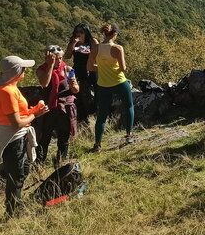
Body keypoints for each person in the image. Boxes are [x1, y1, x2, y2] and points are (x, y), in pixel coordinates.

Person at [0, 55, 49, 215]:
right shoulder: (7, 92)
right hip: (13, 137)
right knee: (16, 175)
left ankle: (15, 203)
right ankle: (13, 211)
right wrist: (36, 115)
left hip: (15, 135)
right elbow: (15, 123)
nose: (25, 71)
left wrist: (34, 110)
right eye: (23, 68)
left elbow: (19, 115)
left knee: (21, 170)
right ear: (16, 72)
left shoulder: (9, 88)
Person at [89, 23, 134, 151]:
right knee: (129, 106)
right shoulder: (117, 48)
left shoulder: (96, 48)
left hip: (103, 85)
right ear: (115, 34)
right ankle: (129, 135)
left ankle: (97, 144)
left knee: (102, 115)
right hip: (119, 82)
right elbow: (123, 68)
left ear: (104, 33)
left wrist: (101, 67)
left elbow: (90, 67)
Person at [35, 45, 80, 165]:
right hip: (48, 108)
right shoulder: (41, 69)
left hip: (64, 108)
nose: (59, 61)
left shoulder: (68, 69)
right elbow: (44, 83)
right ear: (48, 57)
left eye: (60, 58)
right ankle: (39, 163)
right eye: (56, 58)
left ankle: (61, 162)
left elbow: (76, 90)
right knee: (44, 137)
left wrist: (73, 85)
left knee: (64, 137)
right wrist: (50, 65)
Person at [64, 23, 98, 122]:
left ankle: (91, 118)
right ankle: (79, 119)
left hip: (89, 71)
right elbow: (67, 56)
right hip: (77, 70)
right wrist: (72, 44)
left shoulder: (92, 42)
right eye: (76, 32)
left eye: (81, 32)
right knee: (75, 95)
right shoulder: (74, 42)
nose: (79, 34)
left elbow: (98, 56)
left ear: (86, 32)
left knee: (89, 95)